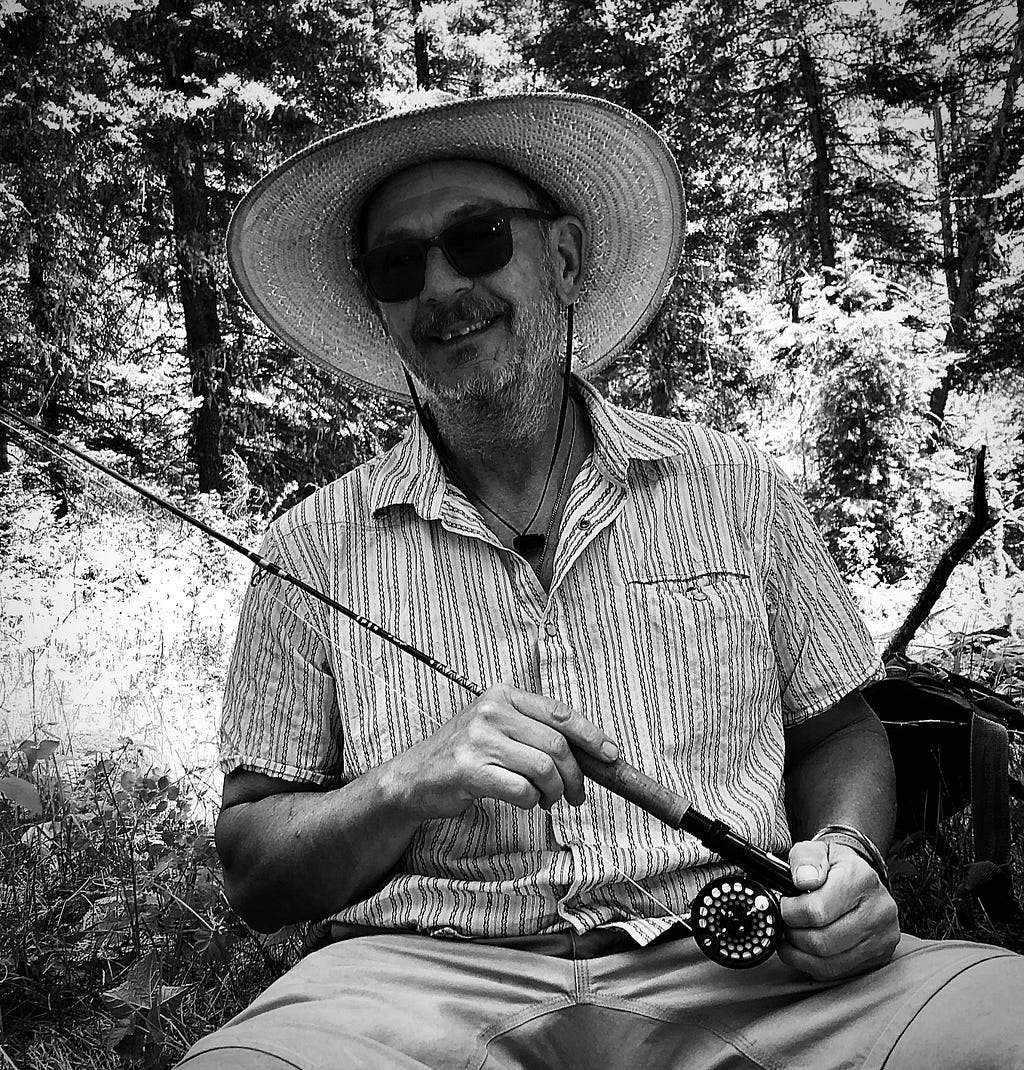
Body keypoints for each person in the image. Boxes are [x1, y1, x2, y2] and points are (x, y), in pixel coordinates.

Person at [178, 93, 1023, 1069]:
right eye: (398, 264)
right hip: (407, 982)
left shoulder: (734, 484)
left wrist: (848, 854)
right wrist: (407, 781)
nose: (441, 285)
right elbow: (252, 866)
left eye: (479, 238)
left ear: (567, 257)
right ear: (379, 304)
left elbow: (840, 731)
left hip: (747, 967)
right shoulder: (307, 545)